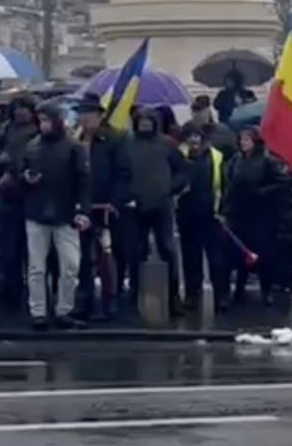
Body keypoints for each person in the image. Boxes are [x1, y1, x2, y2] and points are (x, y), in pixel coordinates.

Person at [19, 106, 88, 329]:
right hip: (38, 211)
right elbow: (22, 172)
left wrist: (82, 210)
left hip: (64, 212)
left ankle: (63, 309)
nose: (43, 125)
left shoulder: (73, 148)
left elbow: (84, 180)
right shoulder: (32, 146)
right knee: (36, 267)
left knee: (70, 265)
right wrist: (26, 179)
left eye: (47, 120)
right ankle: (39, 311)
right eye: (41, 120)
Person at [118, 107, 184, 313]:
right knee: (136, 250)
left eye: (149, 120)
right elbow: (119, 173)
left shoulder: (167, 144)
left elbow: (182, 171)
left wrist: (170, 189)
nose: (145, 123)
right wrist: (126, 194)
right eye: (141, 120)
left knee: (167, 249)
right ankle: (135, 291)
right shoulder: (126, 144)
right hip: (135, 205)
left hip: (161, 204)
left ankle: (173, 296)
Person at [223, 127, 292, 305]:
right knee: (240, 254)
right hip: (240, 213)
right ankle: (239, 290)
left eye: (247, 140)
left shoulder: (267, 161)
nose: (243, 143)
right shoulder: (237, 160)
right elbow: (230, 182)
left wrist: (263, 192)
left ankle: (266, 290)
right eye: (241, 140)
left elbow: (283, 182)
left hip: (261, 216)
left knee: (263, 254)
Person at [73, 98, 128, 321]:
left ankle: (110, 302)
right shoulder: (76, 140)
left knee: (107, 257)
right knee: (84, 257)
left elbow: (123, 174)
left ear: (100, 116)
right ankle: (85, 301)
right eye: (82, 114)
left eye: (89, 114)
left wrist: (114, 201)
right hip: (83, 205)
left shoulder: (114, 139)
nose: (85, 119)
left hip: (105, 206)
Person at [0, 97, 39, 304]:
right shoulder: (4, 130)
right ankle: (10, 284)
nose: (21, 113)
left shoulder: (37, 133)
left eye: (25, 109)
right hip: (6, 195)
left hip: (30, 195)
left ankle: (32, 289)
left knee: (30, 246)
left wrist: (12, 170)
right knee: (7, 243)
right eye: (18, 109)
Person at [175, 128, 225, 312]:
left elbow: (224, 183)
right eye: (191, 137)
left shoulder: (216, 157)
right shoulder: (180, 157)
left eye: (197, 137)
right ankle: (192, 296)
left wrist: (223, 209)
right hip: (187, 214)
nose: (194, 141)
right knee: (190, 259)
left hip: (211, 214)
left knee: (216, 259)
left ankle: (220, 297)